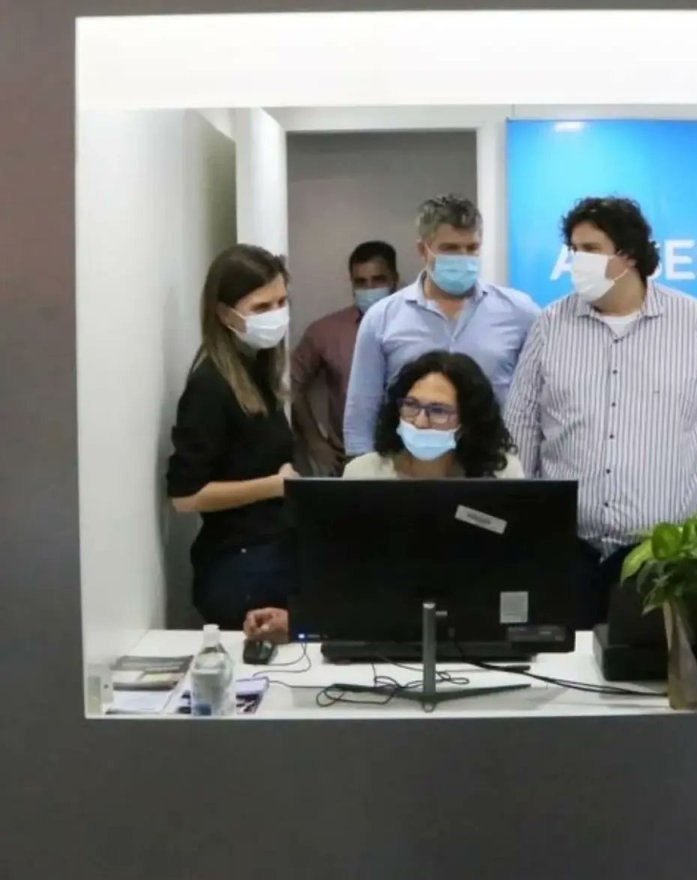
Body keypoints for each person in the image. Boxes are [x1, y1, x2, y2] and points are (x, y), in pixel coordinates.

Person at [505, 195, 697, 630]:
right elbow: (521, 426)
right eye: (573, 250)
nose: (576, 261)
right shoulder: (550, 325)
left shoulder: (695, 322)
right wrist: (517, 517)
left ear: (627, 256)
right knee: (564, 664)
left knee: (655, 665)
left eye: (590, 250)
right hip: (569, 550)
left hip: (664, 555)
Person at [244, 350, 523, 642]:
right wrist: (302, 619)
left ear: (467, 423)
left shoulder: (501, 474)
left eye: (438, 411)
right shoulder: (364, 473)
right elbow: (337, 578)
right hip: (376, 635)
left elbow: (516, 569)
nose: (420, 421)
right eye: (411, 406)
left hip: (479, 632)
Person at [342, 194, 538, 456]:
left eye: (471, 248)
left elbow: (538, 404)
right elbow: (361, 412)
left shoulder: (520, 312)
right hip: (407, 467)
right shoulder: (382, 318)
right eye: (450, 249)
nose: (463, 258)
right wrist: (362, 472)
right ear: (423, 250)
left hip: (492, 465)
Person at [166, 244, 298, 630]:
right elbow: (186, 496)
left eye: (281, 302)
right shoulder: (211, 385)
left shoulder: (255, 371)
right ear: (226, 314)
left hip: (271, 551)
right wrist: (275, 486)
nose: (276, 314)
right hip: (240, 566)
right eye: (261, 307)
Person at [290, 240, 399, 475]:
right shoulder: (327, 332)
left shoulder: (418, 329)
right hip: (348, 460)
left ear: (394, 279)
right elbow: (290, 383)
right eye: (361, 282)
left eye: (378, 280)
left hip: (407, 459)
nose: (369, 288)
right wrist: (315, 441)